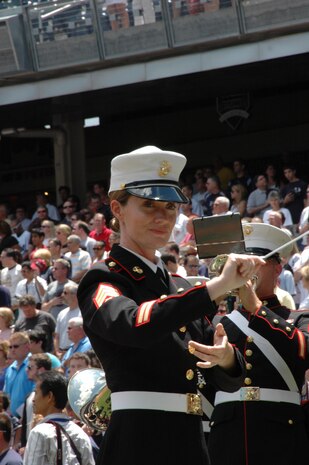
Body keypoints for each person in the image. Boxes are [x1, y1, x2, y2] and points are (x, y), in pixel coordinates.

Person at [77, 145, 265, 465]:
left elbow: (230, 380)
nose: (162, 216)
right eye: (148, 205)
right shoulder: (103, 278)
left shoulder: (178, 288)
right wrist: (215, 286)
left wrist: (225, 358)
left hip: (191, 441)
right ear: (117, 209)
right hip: (138, 442)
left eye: (169, 206)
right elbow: (135, 324)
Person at [196, 222, 309, 465]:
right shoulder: (216, 321)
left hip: (281, 439)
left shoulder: (298, 318)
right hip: (226, 438)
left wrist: (255, 307)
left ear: (278, 268)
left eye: (255, 262)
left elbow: (302, 350)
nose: (245, 269)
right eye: (239, 263)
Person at [23, 371, 95, 465]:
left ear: (49, 396)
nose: (33, 399)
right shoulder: (80, 433)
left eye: (36, 392)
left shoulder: (39, 432)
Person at [4, 332, 35, 418]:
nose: (12, 349)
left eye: (16, 346)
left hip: (27, 419)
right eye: (10, 347)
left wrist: (22, 415)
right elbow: (5, 395)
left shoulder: (34, 365)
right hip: (11, 419)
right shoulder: (10, 369)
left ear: (27, 346)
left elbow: (35, 394)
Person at [54, 282, 81, 358]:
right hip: (62, 354)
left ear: (75, 295)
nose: (62, 295)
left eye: (65, 293)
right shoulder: (61, 313)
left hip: (77, 353)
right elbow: (57, 336)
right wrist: (57, 351)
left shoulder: (83, 313)